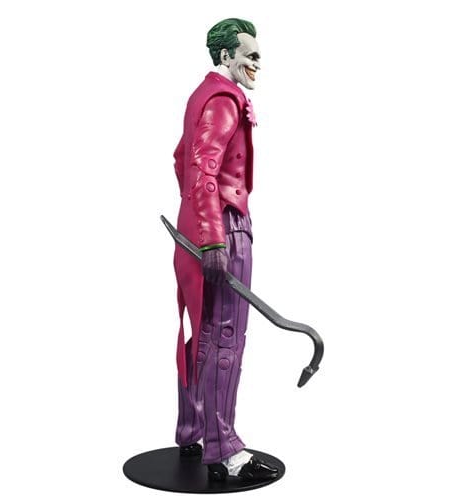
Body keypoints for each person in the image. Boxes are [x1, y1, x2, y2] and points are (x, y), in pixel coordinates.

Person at [172, 18, 278, 482]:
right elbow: (200, 167)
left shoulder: (203, 93)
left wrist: (195, 221)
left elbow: (180, 159)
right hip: (224, 229)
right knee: (224, 340)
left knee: (203, 334)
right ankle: (225, 452)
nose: (257, 62)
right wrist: (215, 236)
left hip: (196, 224)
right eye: (250, 55)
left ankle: (193, 431)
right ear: (225, 56)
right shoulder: (223, 98)